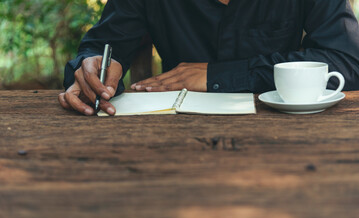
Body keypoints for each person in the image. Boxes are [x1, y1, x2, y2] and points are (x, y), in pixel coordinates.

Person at [59, 0, 359, 116]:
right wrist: (89, 72)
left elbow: (346, 59)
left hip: (291, 141)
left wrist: (216, 75)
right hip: (170, 141)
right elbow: (100, 47)